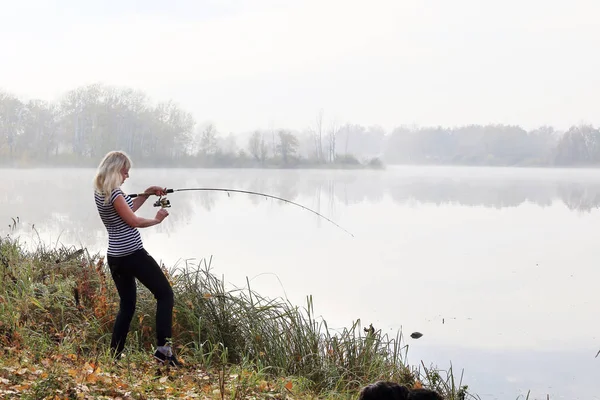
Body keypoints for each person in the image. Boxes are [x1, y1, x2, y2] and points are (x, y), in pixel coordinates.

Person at [93, 150, 181, 367]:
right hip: (133, 254)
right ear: (115, 170)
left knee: (127, 305)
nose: (127, 176)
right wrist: (157, 219)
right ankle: (164, 352)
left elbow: (125, 210)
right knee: (165, 294)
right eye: (125, 171)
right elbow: (133, 221)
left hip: (115, 257)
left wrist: (148, 193)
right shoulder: (115, 194)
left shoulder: (102, 192)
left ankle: (114, 355)